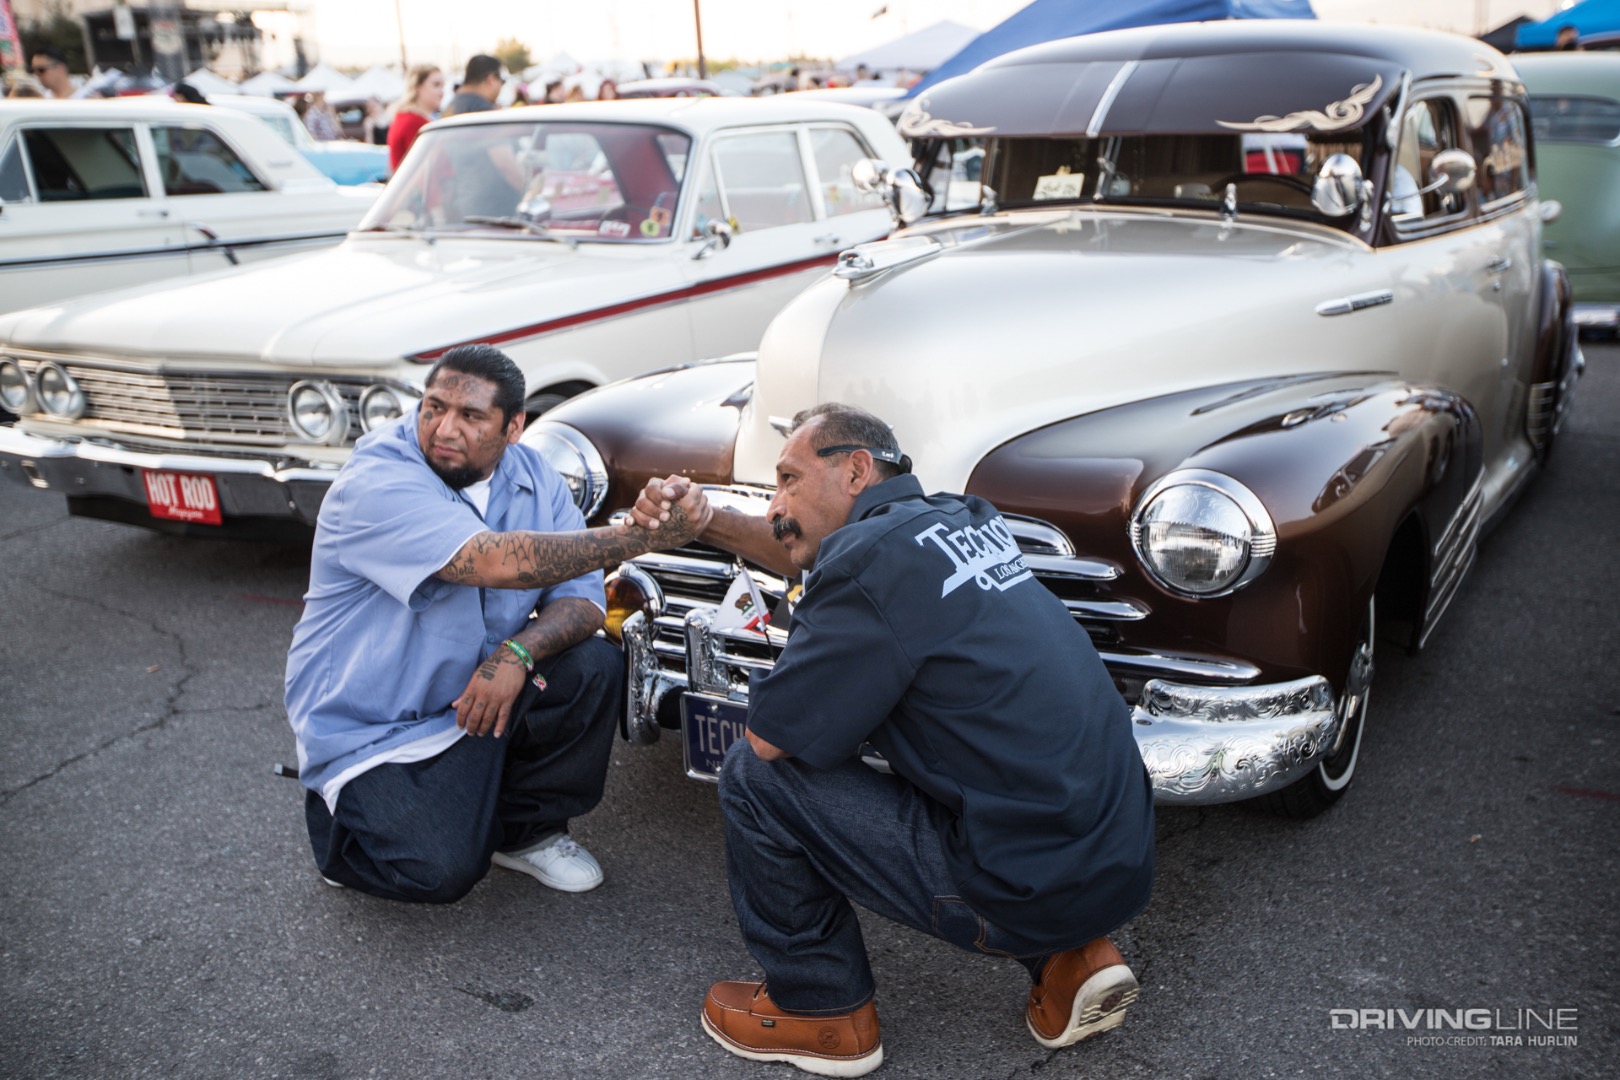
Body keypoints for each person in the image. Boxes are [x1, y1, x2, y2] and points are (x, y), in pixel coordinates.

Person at [629, 403, 1156, 1076]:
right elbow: (801, 552)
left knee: (754, 777)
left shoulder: (864, 566)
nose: (775, 506)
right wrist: (706, 522)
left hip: (1023, 886)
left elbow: (770, 741)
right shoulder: (961, 519)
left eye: (788, 480)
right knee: (947, 741)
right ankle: (1074, 956)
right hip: (1117, 858)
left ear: (855, 469)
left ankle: (824, 1009)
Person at [284, 344, 710, 903]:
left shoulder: (537, 476)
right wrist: (639, 535)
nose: (443, 428)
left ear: (514, 428)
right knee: (439, 873)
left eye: (470, 416)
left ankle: (526, 833)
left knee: (594, 664)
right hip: (374, 730)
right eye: (433, 407)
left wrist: (518, 655)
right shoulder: (377, 480)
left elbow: (583, 604)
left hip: (472, 702)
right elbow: (492, 559)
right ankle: (341, 831)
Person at [387, 64, 444, 173]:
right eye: (436, 85)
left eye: (442, 86)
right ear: (418, 87)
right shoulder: (415, 122)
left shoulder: (403, 117)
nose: (442, 92)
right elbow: (426, 170)